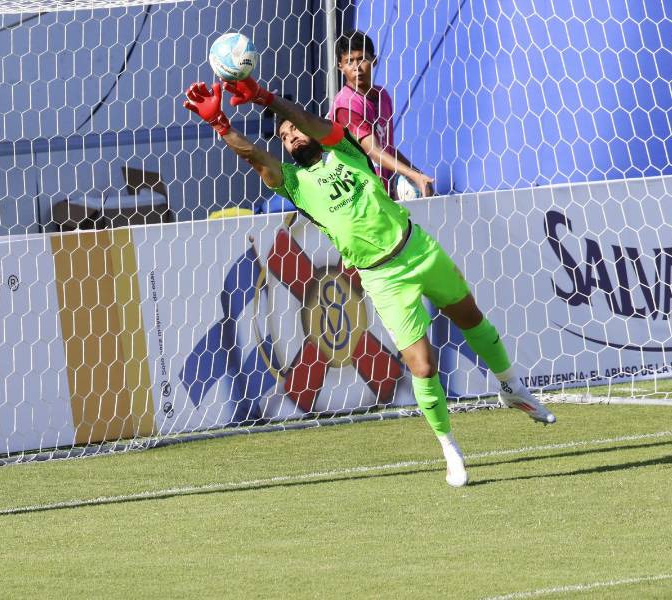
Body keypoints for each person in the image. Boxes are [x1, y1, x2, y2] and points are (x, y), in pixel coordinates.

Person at [183, 76, 556, 488]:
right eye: (285, 139)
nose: (291, 138)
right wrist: (221, 124)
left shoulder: (342, 147)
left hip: (417, 249)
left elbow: (308, 121)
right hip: (380, 276)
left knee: (472, 319)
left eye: (294, 130)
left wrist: (269, 100)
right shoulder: (295, 184)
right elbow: (256, 157)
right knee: (423, 364)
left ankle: (511, 387)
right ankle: (450, 448)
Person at [329, 30, 434, 198]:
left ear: (374, 60)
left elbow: (387, 148)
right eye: (349, 61)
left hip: (382, 194)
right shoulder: (345, 105)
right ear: (340, 66)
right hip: (357, 197)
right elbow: (373, 150)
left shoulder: (382, 97)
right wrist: (413, 175)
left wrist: (416, 174)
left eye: (362, 59)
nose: (357, 67)